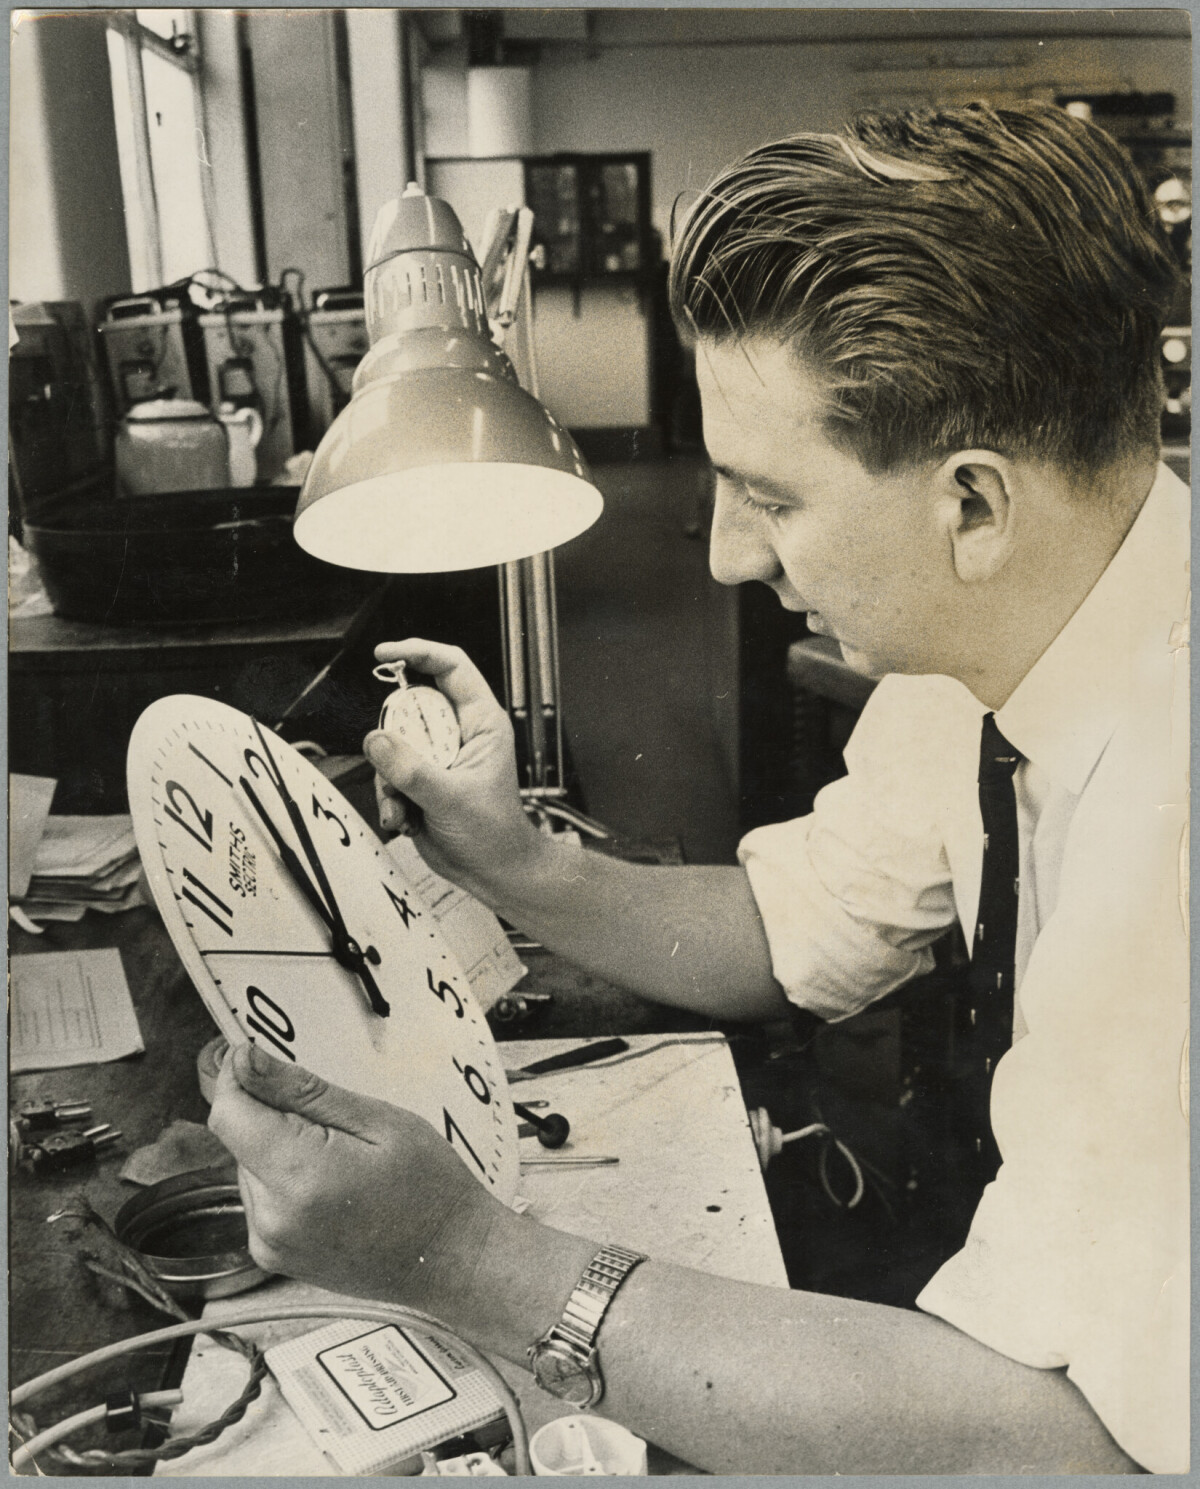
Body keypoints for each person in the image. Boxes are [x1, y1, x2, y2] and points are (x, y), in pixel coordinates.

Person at [210, 103, 1188, 1474]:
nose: (727, 556)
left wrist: (468, 1255)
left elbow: (1067, 1446)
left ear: (973, 503)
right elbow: (802, 931)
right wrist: (511, 857)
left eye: (770, 498)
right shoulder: (998, 625)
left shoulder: (1171, 838)